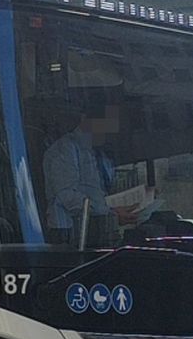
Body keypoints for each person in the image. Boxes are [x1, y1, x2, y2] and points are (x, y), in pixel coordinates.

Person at [43, 95, 138, 246]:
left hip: (97, 230)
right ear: (87, 121)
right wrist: (109, 212)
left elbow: (99, 194)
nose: (110, 133)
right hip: (68, 234)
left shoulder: (100, 155)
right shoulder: (65, 149)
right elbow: (65, 195)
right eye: (105, 126)